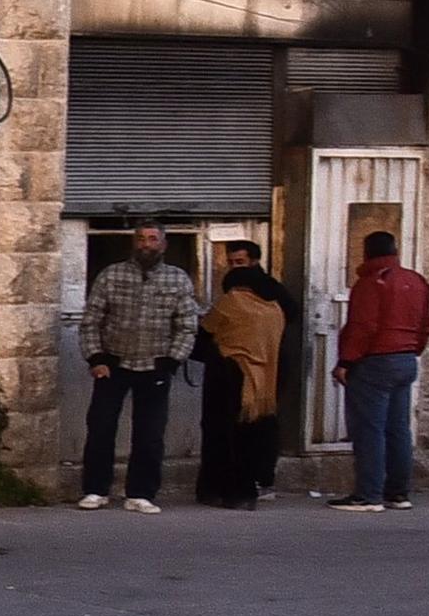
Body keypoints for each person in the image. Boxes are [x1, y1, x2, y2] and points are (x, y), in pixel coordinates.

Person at [77, 221, 200, 515]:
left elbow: (186, 326)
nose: (146, 244)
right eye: (141, 239)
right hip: (114, 364)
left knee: (150, 433)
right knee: (101, 427)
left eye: (152, 239)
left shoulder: (178, 279)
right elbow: (92, 319)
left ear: (163, 244)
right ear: (134, 243)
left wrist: (171, 361)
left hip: (154, 365)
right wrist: (96, 358)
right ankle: (95, 489)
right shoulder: (111, 275)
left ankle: (141, 493)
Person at [329, 231, 429, 513]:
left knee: (369, 429)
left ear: (366, 252)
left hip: (375, 361)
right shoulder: (416, 280)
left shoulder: (370, 283)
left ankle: (368, 495)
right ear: (395, 249)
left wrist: (346, 362)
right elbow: (425, 325)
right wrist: (412, 350)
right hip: (406, 358)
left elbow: (364, 326)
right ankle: (398, 494)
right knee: (398, 429)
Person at [193, 266, 285, 510]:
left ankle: (221, 490)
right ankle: (247, 491)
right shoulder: (275, 308)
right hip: (262, 382)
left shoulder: (232, 301)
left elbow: (205, 331)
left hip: (229, 374)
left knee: (221, 435)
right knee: (250, 437)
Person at [219, 240, 300, 499]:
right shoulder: (243, 290)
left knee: (257, 421)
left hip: (266, 362)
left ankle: (259, 478)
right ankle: (259, 478)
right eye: (231, 263)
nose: (234, 268)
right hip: (255, 363)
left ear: (254, 262)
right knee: (257, 420)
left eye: (239, 263)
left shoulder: (269, 291)